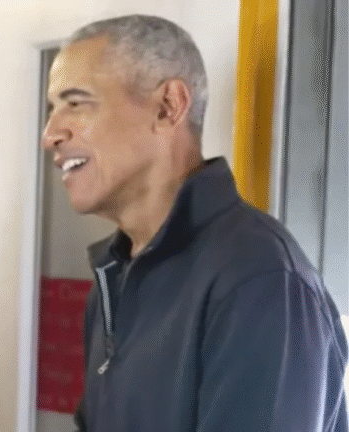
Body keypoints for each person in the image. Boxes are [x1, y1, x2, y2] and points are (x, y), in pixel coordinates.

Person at [41, 14, 347, 432]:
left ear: (168, 107)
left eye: (76, 103)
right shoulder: (114, 276)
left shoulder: (260, 279)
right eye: (53, 109)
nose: (50, 135)